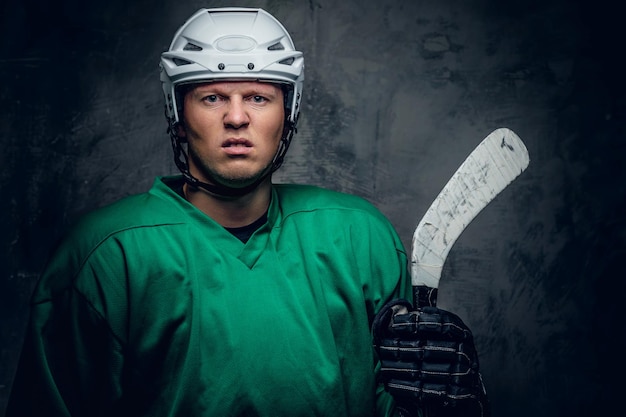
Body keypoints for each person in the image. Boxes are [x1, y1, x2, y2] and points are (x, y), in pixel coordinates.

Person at [7, 7, 488, 417]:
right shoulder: (106, 255)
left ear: (289, 112)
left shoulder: (360, 237)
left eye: (258, 97)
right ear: (179, 113)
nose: (236, 117)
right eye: (212, 96)